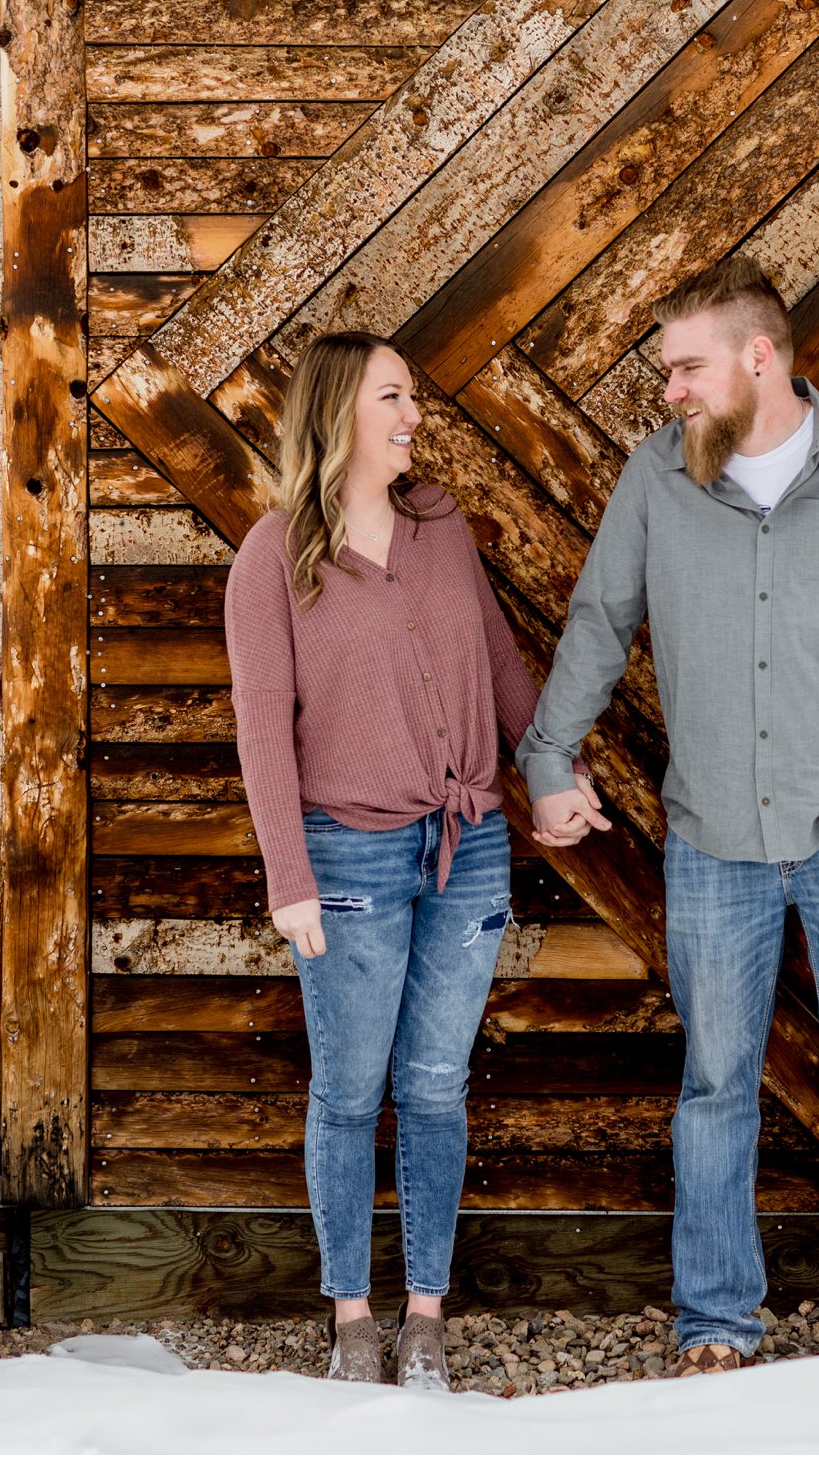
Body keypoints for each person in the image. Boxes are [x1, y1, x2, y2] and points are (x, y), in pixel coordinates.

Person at [519, 260, 819, 1375]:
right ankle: (715, 1324)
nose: (668, 387)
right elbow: (597, 620)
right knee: (716, 1086)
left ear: (756, 356)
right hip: (712, 832)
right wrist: (544, 755)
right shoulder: (656, 476)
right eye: (665, 368)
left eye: (685, 365)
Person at [224, 336, 546, 1390]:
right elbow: (262, 727)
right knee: (352, 1091)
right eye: (393, 395)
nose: (414, 412)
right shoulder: (274, 556)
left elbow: (497, 662)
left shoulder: (440, 528)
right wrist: (288, 877)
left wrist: (552, 773)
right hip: (345, 853)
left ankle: (424, 1314)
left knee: (438, 1086)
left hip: (468, 843)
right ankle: (351, 1318)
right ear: (338, 411)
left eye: (414, 393)